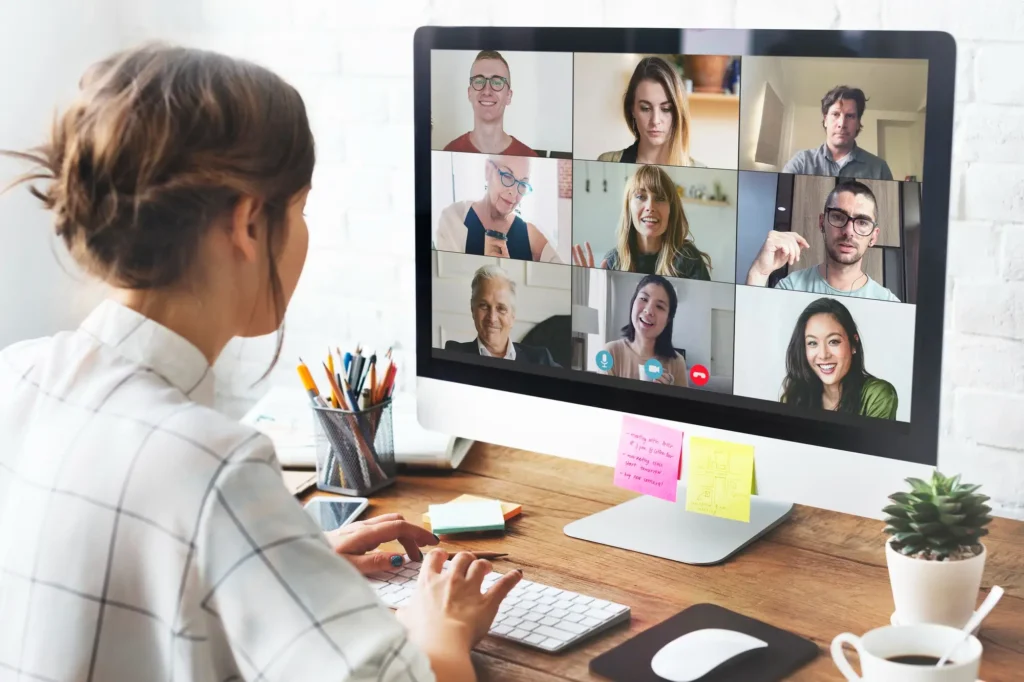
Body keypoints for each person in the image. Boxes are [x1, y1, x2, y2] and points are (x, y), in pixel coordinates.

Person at [0, 44, 522, 682]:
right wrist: (441, 627)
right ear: (248, 223)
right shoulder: (212, 468)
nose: (304, 233)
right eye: (300, 210)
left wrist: (281, 560)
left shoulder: (15, 376)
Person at [744, 180, 899, 302]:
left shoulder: (888, 303)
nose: (848, 232)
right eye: (838, 217)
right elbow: (754, 334)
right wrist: (758, 273)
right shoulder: (791, 288)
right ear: (821, 222)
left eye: (862, 222)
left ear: (873, 236)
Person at [572, 164, 711, 280]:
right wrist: (589, 292)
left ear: (671, 210)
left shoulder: (689, 259)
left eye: (660, 198)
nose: (650, 207)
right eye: (640, 196)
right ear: (628, 207)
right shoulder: (613, 261)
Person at [781, 298, 898, 419]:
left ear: (853, 344)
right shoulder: (793, 398)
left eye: (833, 341)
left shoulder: (877, 395)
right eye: (812, 343)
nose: (823, 355)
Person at [435, 154, 562, 262]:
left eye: (523, 184)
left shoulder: (531, 234)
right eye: (507, 176)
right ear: (488, 171)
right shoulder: (452, 218)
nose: (514, 192)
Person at [597, 56, 705, 167]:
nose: (655, 121)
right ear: (632, 109)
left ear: (678, 112)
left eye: (666, 109)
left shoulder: (701, 171)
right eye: (645, 108)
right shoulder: (607, 163)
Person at [444, 265, 560, 366]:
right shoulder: (454, 353)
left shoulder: (541, 359)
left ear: (512, 316)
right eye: (484, 306)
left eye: (501, 309)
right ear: (472, 309)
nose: (492, 318)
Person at [782, 85, 894, 180]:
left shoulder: (880, 169)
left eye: (850, 116)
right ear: (825, 120)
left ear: (858, 123)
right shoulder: (801, 163)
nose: (842, 123)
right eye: (836, 114)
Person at [442, 49, 538, 156]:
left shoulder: (529, 157)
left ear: (508, 96)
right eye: (479, 81)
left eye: (497, 82)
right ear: (469, 93)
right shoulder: (450, 152)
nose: (487, 91)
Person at [599, 275, 688, 386]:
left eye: (659, 306)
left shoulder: (677, 362)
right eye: (644, 299)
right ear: (633, 303)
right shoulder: (610, 352)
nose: (649, 310)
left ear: (668, 319)